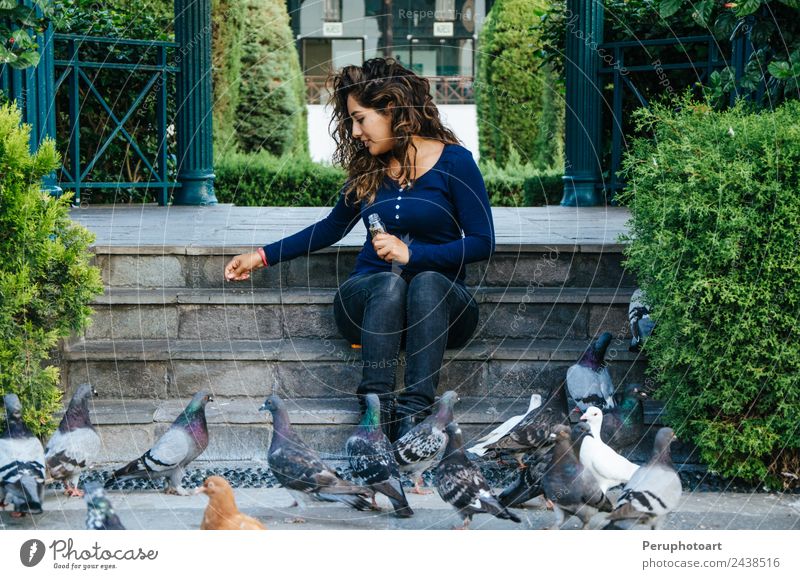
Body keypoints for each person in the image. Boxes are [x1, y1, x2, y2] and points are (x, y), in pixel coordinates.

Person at [224, 58, 494, 441]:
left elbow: (483, 242)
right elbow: (331, 228)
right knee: (388, 285)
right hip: (369, 302)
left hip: (442, 313)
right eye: (350, 121)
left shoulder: (456, 163)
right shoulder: (370, 168)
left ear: (392, 111)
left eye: (360, 118)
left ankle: (415, 417)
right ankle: (374, 417)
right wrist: (260, 256)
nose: (353, 132)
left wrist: (413, 256)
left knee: (428, 283)